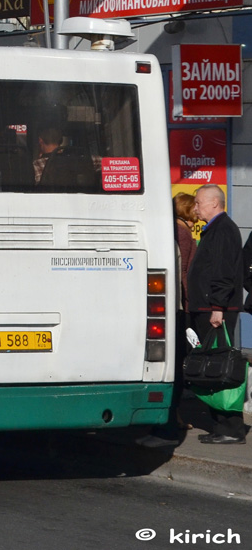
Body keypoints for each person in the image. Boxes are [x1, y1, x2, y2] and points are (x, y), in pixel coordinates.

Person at [185, 184, 246, 444]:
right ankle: (221, 425)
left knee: (220, 365)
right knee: (212, 365)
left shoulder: (223, 230)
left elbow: (223, 272)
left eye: (199, 203)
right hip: (210, 307)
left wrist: (217, 307)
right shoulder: (215, 229)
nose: (196, 208)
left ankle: (231, 428)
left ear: (213, 203)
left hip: (216, 310)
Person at [139, 193, 198, 448]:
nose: (197, 210)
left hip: (178, 307)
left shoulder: (177, 232)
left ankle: (169, 424)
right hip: (179, 306)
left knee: (173, 367)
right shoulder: (180, 231)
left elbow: (183, 272)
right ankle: (172, 420)